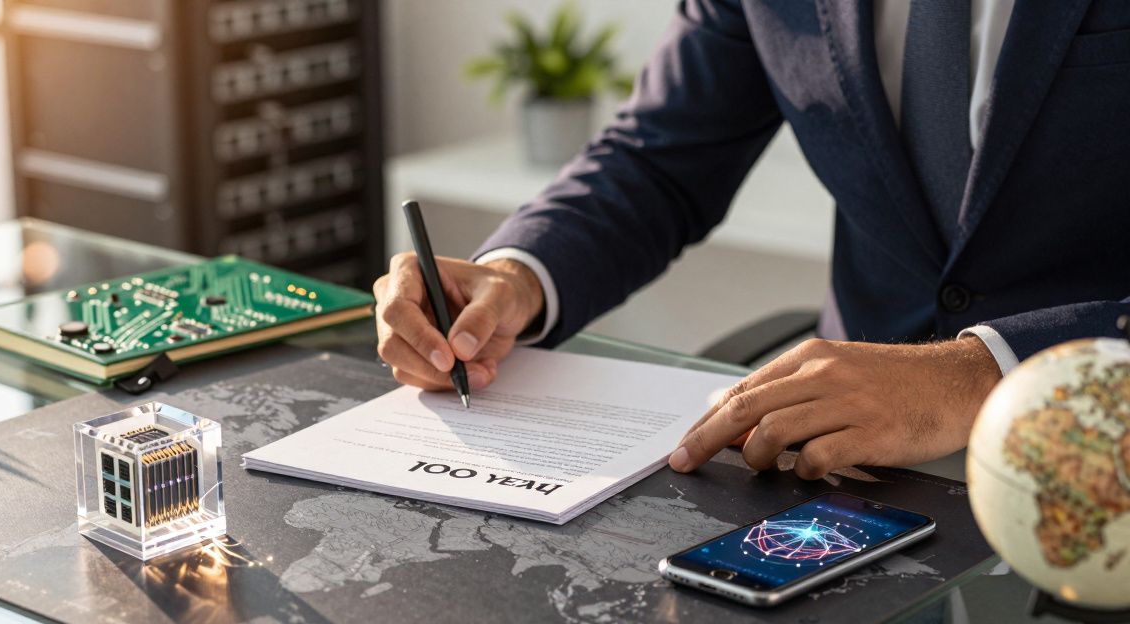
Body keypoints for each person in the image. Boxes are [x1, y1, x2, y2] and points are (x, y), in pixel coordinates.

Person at [373, 0, 1130, 479]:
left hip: (1100, 471)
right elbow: (660, 159)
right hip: (845, 480)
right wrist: (518, 275)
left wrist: (983, 375)